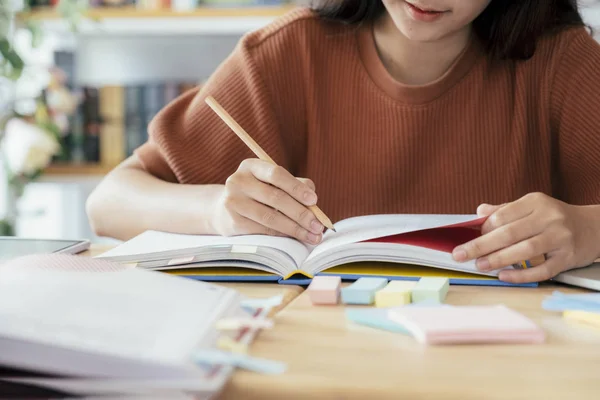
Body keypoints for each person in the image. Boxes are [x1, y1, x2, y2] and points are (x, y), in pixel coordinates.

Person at [86, 0, 600, 284]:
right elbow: (108, 203)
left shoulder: (559, 61)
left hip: (511, 363)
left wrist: (585, 229)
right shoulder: (289, 52)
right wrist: (217, 210)